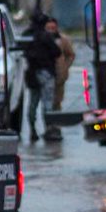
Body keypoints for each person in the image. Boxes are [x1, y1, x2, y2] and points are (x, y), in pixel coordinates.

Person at [23, 13, 62, 141]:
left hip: (31, 73)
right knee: (47, 103)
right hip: (46, 73)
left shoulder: (26, 36)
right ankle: (49, 129)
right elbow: (57, 52)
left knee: (33, 102)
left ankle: (32, 130)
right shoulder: (46, 36)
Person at [46, 17, 76, 111]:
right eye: (49, 28)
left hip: (59, 74)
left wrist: (65, 66)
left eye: (53, 28)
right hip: (45, 73)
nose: (51, 31)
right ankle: (48, 120)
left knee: (57, 100)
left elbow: (70, 54)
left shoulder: (63, 40)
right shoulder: (42, 39)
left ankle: (56, 119)